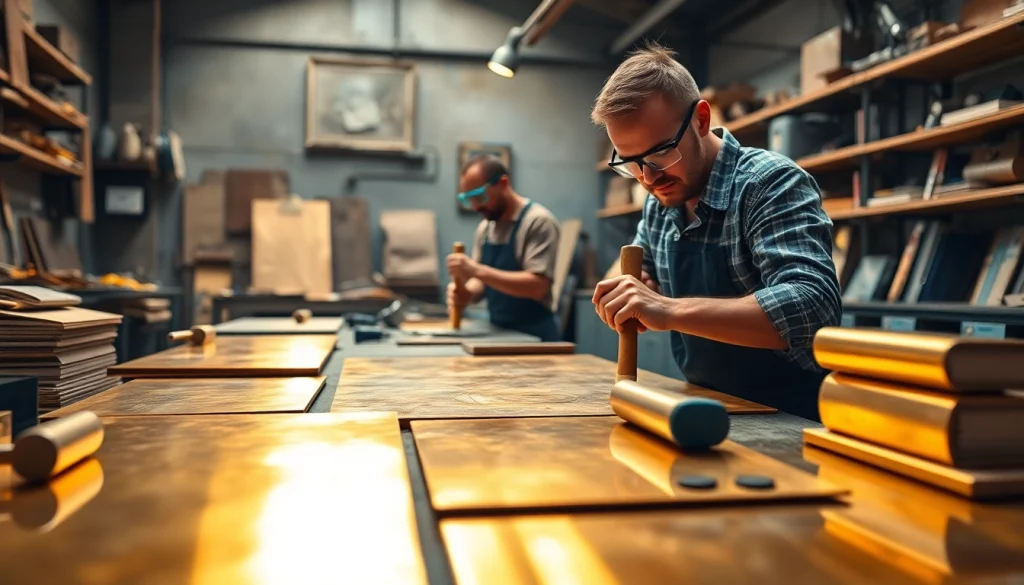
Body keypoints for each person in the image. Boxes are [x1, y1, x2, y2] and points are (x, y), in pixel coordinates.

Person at [590, 43, 841, 421]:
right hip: (706, 409)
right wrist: (630, 288)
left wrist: (668, 309)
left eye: (660, 155)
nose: (648, 178)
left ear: (701, 120)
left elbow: (812, 307)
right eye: (631, 164)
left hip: (792, 419)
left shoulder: (769, 183)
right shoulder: (661, 201)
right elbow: (635, 277)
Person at [446, 154, 562, 342]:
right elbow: (481, 283)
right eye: (468, 199)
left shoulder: (537, 222)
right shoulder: (486, 228)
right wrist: (468, 294)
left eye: (479, 197)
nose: (475, 207)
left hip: (536, 338)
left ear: (503, 183)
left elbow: (537, 286)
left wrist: (476, 270)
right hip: (499, 334)